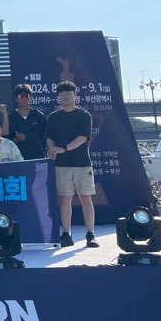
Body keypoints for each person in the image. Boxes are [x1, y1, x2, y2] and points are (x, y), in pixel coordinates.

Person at [46, 81, 98, 248]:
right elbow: (49, 137)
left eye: (68, 93)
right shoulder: (53, 117)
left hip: (82, 163)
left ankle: (90, 234)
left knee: (86, 198)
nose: (65, 97)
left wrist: (64, 149)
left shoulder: (84, 115)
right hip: (61, 165)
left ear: (75, 95)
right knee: (65, 199)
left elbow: (82, 138)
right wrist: (52, 149)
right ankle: (66, 234)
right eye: (61, 94)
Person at [9, 84, 47, 160]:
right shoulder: (10, 117)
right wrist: (16, 140)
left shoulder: (39, 116)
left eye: (26, 96)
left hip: (38, 158)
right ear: (16, 98)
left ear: (31, 98)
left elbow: (45, 138)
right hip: (17, 159)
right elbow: (5, 140)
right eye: (21, 96)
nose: (24, 98)